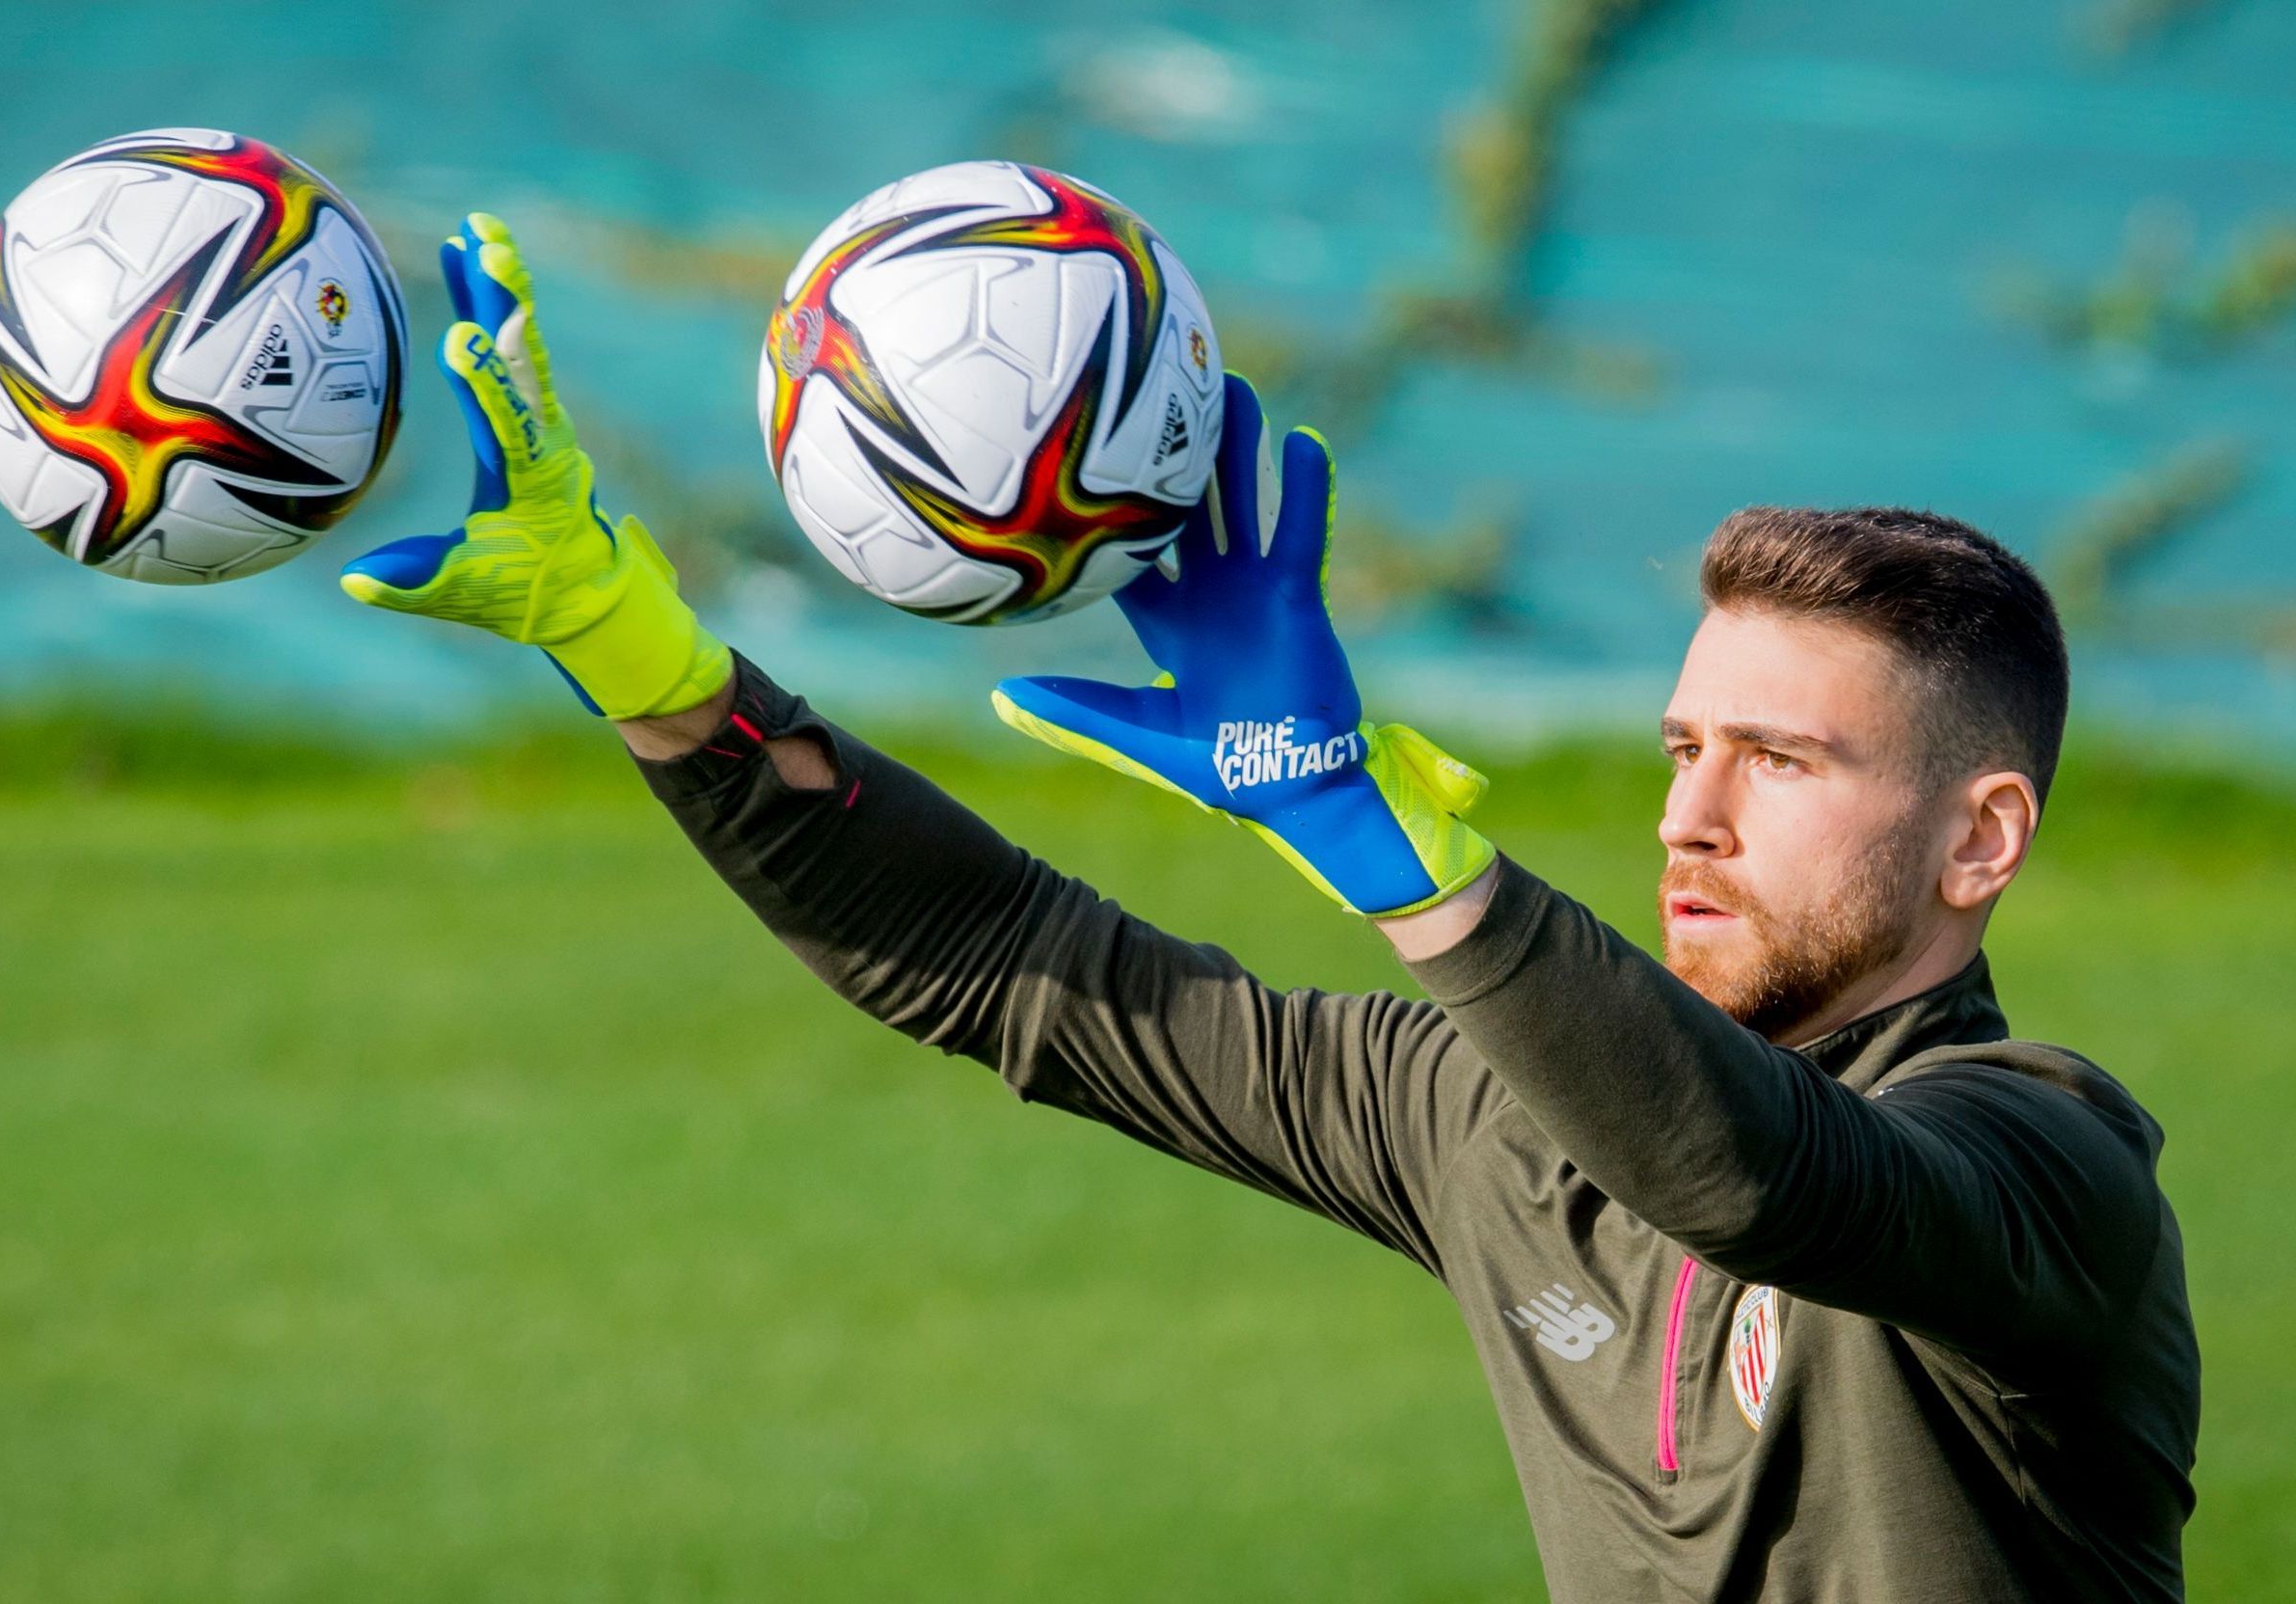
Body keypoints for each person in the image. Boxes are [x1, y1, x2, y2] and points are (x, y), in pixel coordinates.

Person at [341, 216, 2200, 1603]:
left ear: (1983, 840)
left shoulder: (2047, 1169)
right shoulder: (1501, 1124)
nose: (1691, 816)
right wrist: (636, 647)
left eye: (1784, 765)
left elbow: (1759, 1181)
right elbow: (1019, 974)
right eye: (1682, 742)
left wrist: (1408, 863)